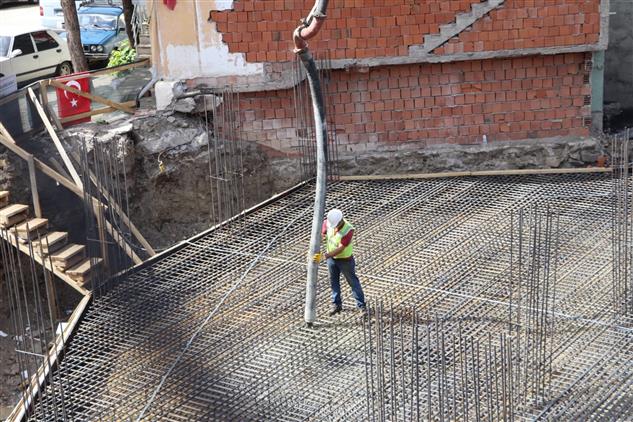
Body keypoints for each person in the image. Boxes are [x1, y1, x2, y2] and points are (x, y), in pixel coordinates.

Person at [314, 208, 366, 316]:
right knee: (334, 282)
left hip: (345, 260)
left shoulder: (348, 229)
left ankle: (361, 306)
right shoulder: (328, 223)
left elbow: (341, 248)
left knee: (353, 282)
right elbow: (322, 235)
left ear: (341, 220)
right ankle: (336, 305)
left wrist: (324, 256)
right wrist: (313, 249)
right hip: (332, 260)